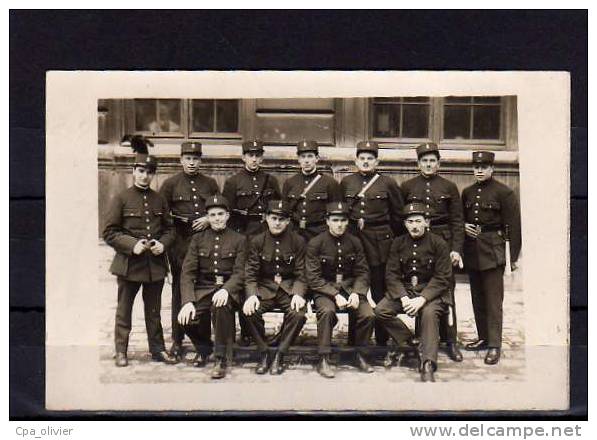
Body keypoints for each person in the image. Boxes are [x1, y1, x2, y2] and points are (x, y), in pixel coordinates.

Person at [103, 145, 177, 367]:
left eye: (149, 172)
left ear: (153, 174)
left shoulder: (159, 200)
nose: (145, 176)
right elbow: (109, 232)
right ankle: (121, 350)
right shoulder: (121, 198)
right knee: (124, 310)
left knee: (154, 312)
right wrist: (132, 244)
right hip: (128, 264)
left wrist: (162, 245)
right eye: (141, 171)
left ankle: (158, 349)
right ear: (133, 171)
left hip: (154, 265)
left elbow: (170, 230)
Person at [400, 142, 465, 363]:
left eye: (432, 161)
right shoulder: (408, 186)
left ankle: (451, 341)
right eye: (424, 161)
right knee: (419, 287)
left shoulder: (449, 187)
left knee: (446, 292)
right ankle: (422, 337)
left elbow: (457, 221)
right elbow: (403, 220)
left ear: (438, 163)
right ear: (418, 164)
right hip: (418, 242)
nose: (428, 165)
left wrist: (456, 249)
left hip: (442, 242)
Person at [374, 202, 453, 382]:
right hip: (406, 290)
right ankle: (411, 342)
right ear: (405, 224)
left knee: (429, 313)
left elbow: (442, 277)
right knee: (380, 311)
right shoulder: (398, 243)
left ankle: (428, 363)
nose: (414, 226)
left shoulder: (439, 243)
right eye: (410, 222)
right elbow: (392, 275)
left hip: (432, 292)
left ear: (427, 222)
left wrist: (422, 299)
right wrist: (403, 298)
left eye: (418, 221)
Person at [340, 140, 405, 347]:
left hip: (379, 243)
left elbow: (398, 215)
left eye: (370, 159)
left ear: (377, 161)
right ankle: (354, 339)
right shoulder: (347, 182)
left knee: (379, 291)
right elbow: (340, 212)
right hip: (353, 240)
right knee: (354, 291)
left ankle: (382, 339)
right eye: (362, 158)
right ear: (356, 160)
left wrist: (390, 240)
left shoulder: (388, 183)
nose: (366, 162)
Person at [159, 141, 219, 361]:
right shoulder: (170, 184)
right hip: (180, 242)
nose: (192, 163)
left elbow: (218, 208)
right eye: (188, 158)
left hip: (204, 242)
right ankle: (177, 339)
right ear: (181, 160)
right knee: (179, 290)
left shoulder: (210, 183)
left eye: (196, 159)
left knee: (202, 288)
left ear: (200, 160)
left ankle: (203, 342)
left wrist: (207, 218)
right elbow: (163, 216)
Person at [177, 194, 246, 379]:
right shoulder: (198, 239)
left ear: (228, 215)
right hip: (204, 289)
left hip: (228, 290)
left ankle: (220, 358)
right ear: (207, 217)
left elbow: (240, 272)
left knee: (221, 307)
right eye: (213, 215)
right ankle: (204, 348)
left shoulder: (239, 240)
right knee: (185, 319)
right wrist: (187, 301)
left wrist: (226, 289)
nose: (217, 219)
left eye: (220, 214)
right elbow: (188, 272)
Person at [462, 151, 521, 365]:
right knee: (477, 298)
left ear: (492, 168)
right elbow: (462, 219)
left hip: (493, 250)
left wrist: (512, 257)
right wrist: (463, 227)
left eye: (484, 167)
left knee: (494, 301)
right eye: (476, 167)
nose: (479, 170)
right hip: (472, 251)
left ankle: (495, 345)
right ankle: (483, 337)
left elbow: (514, 227)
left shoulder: (504, 193)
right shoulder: (467, 192)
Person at [306, 202, 375, 378]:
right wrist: (335, 294)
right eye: (335, 220)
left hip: (350, 288)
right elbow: (314, 278)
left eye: (343, 220)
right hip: (325, 290)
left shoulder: (355, 242)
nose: (339, 225)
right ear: (327, 221)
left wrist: (357, 293)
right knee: (327, 312)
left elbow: (363, 271)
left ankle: (359, 355)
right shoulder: (316, 243)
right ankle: (324, 358)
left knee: (367, 314)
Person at [222, 139, 282, 346]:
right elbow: (226, 212)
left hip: (265, 234)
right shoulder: (233, 182)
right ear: (243, 157)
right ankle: (247, 331)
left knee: (262, 275)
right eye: (250, 155)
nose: (254, 159)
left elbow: (277, 207)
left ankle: (256, 325)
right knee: (244, 278)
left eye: (257, 155)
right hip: (243, 235)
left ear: (262, 157)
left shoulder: (270, 180)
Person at [242, 200, 307, 375]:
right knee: (249, 312)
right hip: (265, 289)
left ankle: (280, 354)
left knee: (298, 314)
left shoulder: (298, 241)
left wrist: (298, 293)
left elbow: (302, 272)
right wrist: (251, 295)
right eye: (273, 218)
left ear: (288, 221)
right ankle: (263, 352)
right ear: (266, 219)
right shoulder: (256, 241)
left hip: (288, 289)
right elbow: (250, 273)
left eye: (282, 219)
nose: (277, 223)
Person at [283, 140, 343, 242]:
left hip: (319, 233)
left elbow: (335, 211)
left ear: (317, 158)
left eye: (310, 156)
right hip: (295, 233)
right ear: (298, 159)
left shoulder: (329, 183)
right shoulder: (290, 183)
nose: (306, 161)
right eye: (303, 156)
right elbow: (285, 211)